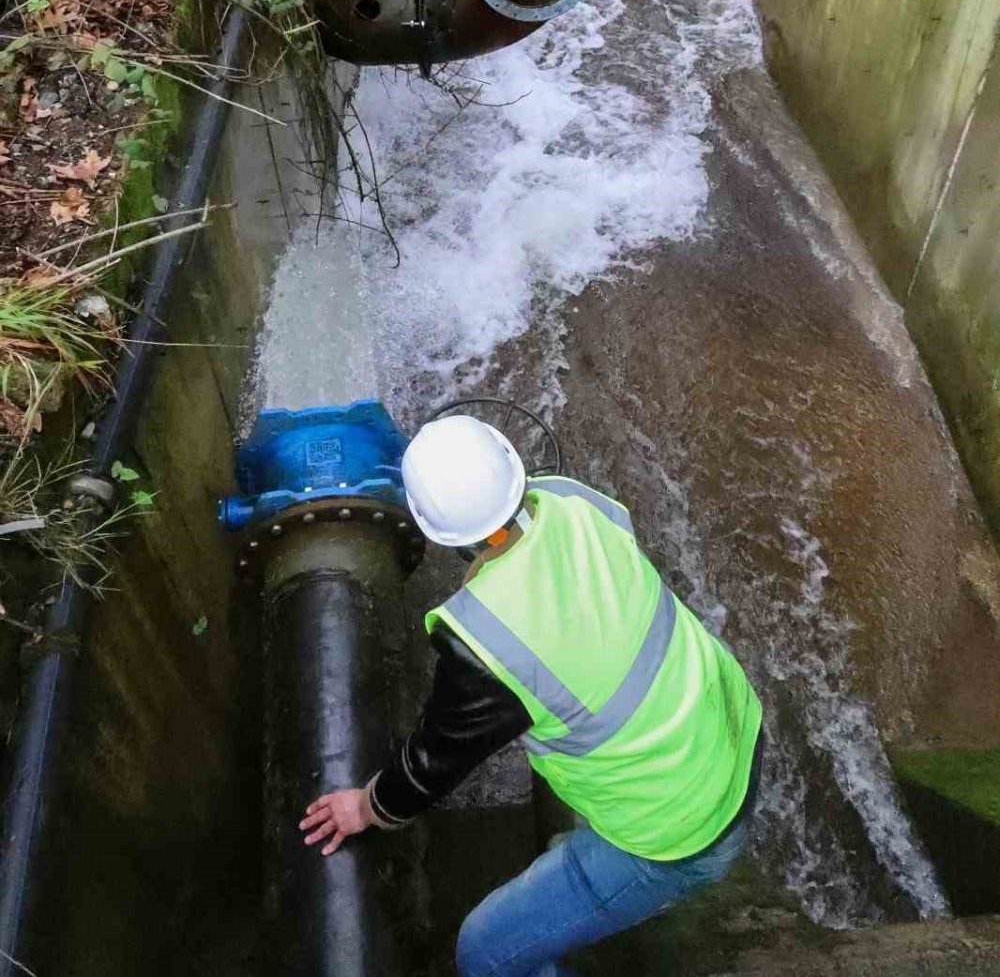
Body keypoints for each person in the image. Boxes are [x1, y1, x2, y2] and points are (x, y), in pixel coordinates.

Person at [300, 415, 763, 976]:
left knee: (486, 953)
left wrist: (365, 807)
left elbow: (432, 764)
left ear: (432, 528)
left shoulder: (485, 644)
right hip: (732, 730)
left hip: (677, 833)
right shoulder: (574, 502)